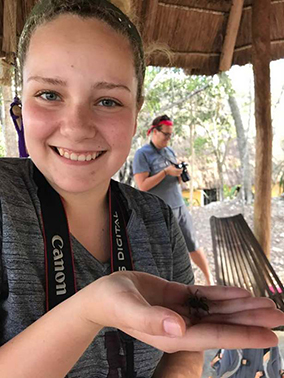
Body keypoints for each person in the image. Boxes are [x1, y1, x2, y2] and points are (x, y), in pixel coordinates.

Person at [0, 1, 283, 377]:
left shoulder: (157, 222)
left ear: (136, 113)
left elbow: (183, 351)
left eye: (107, 101)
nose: (77, 126)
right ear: (19, 100)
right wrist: (89, 311)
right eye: (49, 94)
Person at [133, 114, 213, 285]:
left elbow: (174, 179)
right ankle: (168, 287)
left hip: (179, 206)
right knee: (164, 252)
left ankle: (209, 280)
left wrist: (178, 173)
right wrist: (165, 172)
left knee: (192, 243)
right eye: (166, 134)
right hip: (158, 211)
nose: (169, 138)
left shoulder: (169, 151)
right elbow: (142, 186)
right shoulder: (142, 154)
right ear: (154, 132)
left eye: (171, 135)